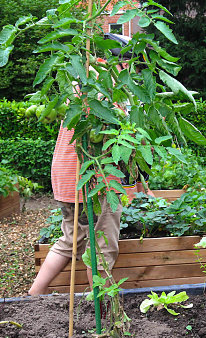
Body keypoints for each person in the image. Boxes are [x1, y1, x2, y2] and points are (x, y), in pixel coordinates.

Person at [28, 34, 137, 295]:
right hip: (95, 180)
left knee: (70, 241)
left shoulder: (77, 82)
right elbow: (122, 136)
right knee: (101, 248)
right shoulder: (110, 87)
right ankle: (102, 307)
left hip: (66, 177)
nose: (133, 70)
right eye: (131, 63)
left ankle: (31, 297)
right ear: (120, 60)